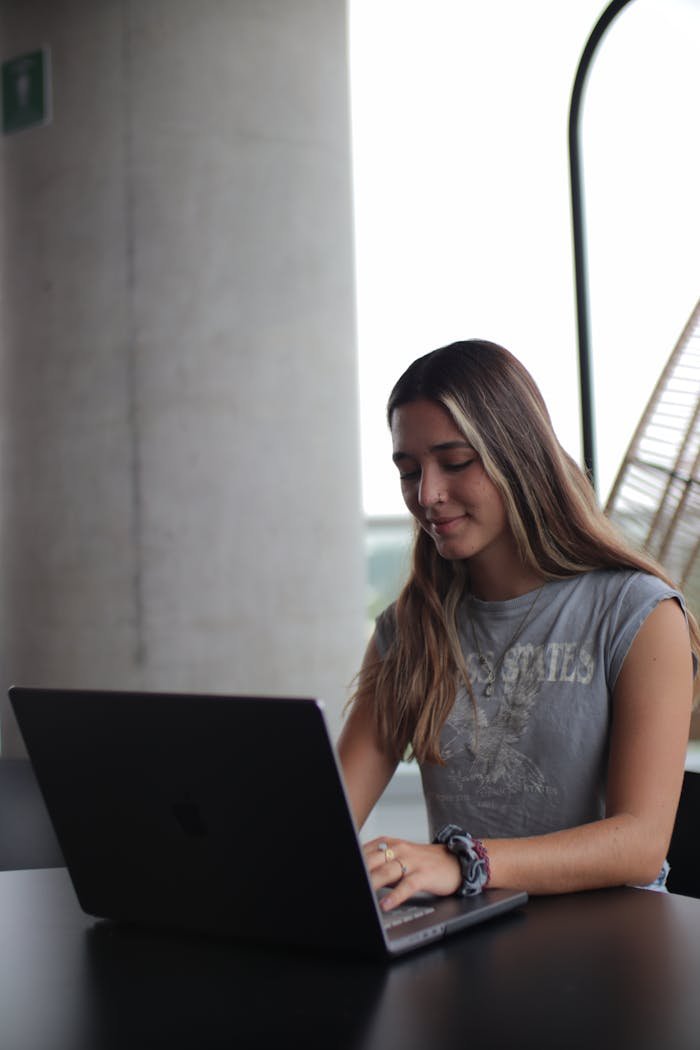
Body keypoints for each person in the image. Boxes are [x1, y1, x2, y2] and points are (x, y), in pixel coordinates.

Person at [338, 339, 699, 910]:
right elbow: (331, 818)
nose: (427, 495)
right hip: (470, 946)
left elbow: (640, 844)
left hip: (618, 951)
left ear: (517, 457)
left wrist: (464, 862)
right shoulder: (410, 629)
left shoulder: (640, 614)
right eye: (409, 472)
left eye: (455, 463)